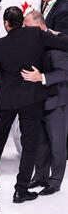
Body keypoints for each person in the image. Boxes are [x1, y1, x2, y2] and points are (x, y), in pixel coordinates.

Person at [0, 6, 68, 203]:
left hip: (5, 99)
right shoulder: (35, 34)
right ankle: (20, 190)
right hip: (31, 99)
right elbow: (64, 43)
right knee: (30, 145)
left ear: (6, 24)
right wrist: (53, 33)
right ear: (21, 22)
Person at [22, 10, 68, 195]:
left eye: (27, 25)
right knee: (40, 142)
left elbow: (64, 72)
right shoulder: (30, 41)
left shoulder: (56, 43)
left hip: (56, 101)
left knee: (57, 143)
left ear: (39, 25)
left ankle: (55, 181)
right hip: (37, 100)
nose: (24, 29)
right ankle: (40, 176)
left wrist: (41, 77)